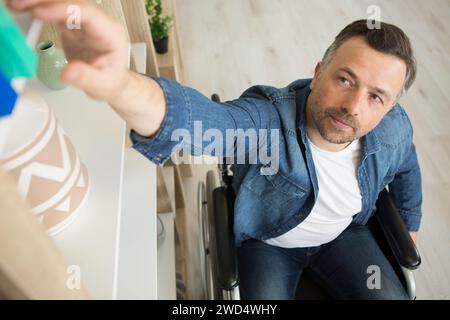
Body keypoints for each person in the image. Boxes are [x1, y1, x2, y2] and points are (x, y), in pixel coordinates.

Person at [8, 0, 422, 300]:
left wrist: (409, 227)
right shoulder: (266, 125)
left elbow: (407, 171)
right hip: (269, 243)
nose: (353, 107)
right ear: (318, 73)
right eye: (345, 79)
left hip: (344, 237)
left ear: (389, 107)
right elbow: (201, 123)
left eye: (376, 97)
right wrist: (119, 83)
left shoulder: (393, 129)